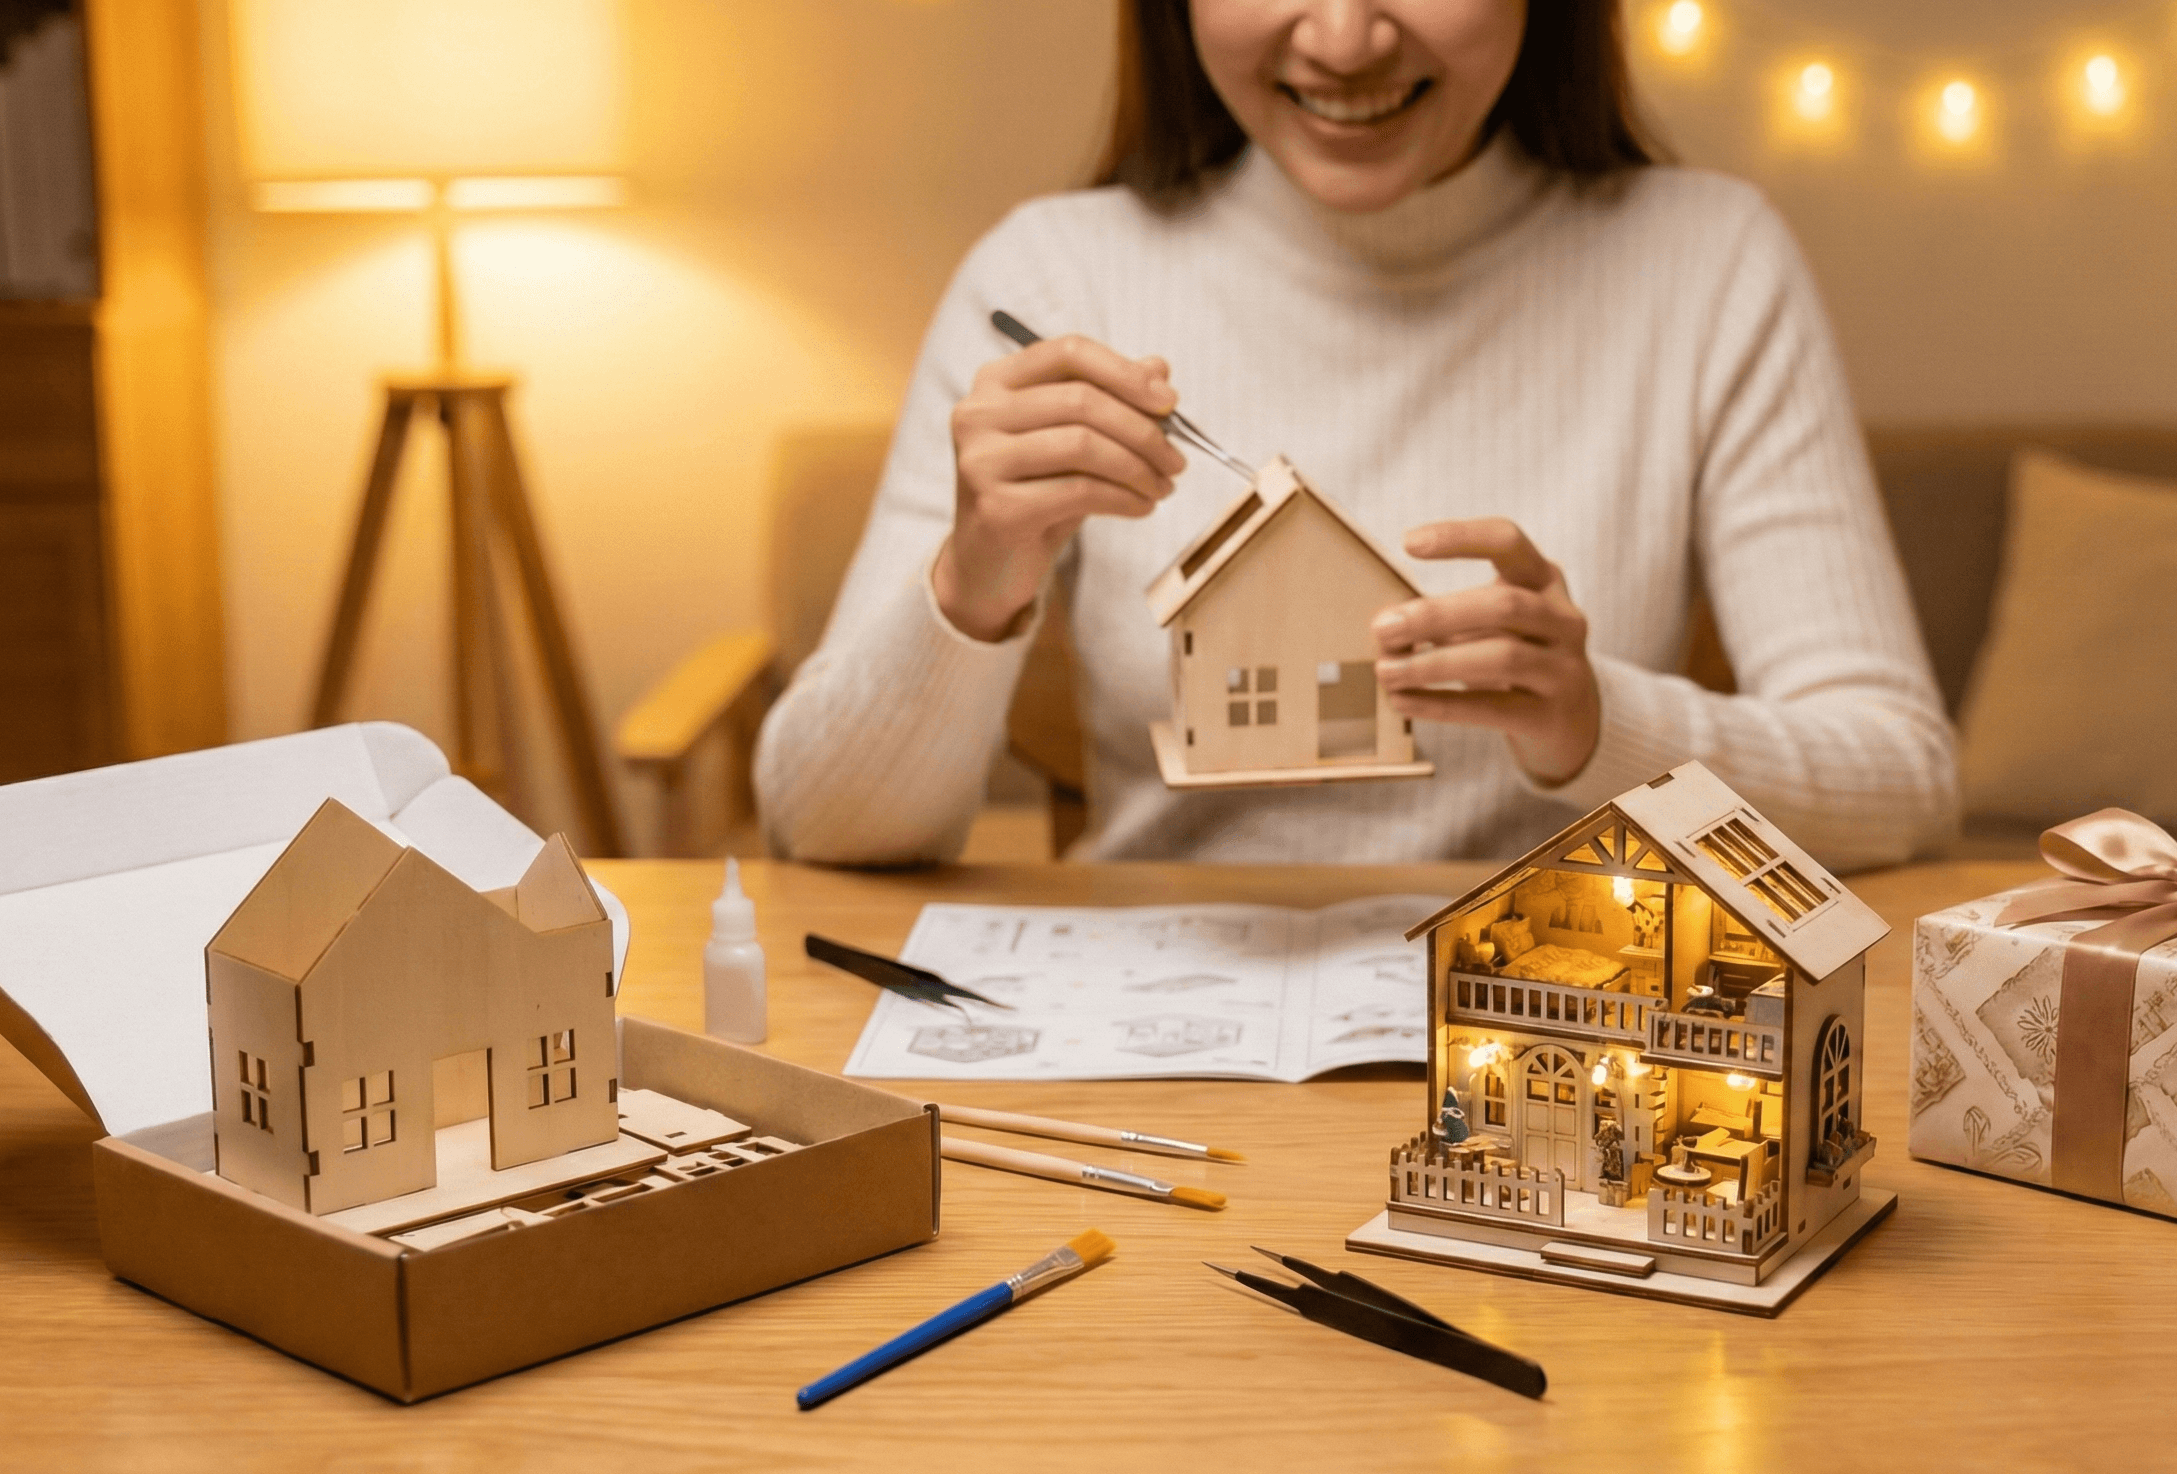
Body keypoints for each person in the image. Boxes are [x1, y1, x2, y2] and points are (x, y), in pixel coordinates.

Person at [756, 0, 1958, 869]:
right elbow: (819, 826)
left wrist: (1592, 723)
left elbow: (1901, 780)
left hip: (1563, 1019)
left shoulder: (1703, 261)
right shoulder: (1053, 271)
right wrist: (975, 580)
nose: (1342, 40)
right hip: (1154, 1046)